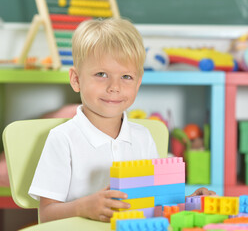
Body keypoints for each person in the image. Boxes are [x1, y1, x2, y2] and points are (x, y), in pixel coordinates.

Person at [29, 18, 215, 223]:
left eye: (126, 77)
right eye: (101, 74)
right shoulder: (62, 139)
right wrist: (83, 207)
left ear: (138, 82)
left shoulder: (143, 138)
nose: (114, 87)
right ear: (76, 79)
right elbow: (46, 215)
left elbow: (155, 204)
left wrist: (191, 202)